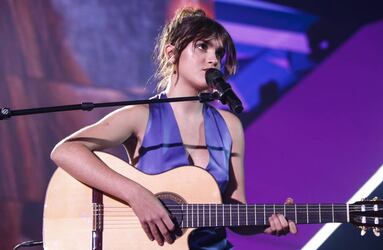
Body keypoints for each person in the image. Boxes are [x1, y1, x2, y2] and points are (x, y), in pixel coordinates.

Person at [50, 7, 297, 249]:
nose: (213, 59)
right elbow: (66, 151)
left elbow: (234, 209)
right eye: (202, 46)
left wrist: (264, 223)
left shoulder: (230, 125)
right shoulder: (140, 116)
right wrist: (137, 196)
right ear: (172, 53)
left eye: (218, 52)